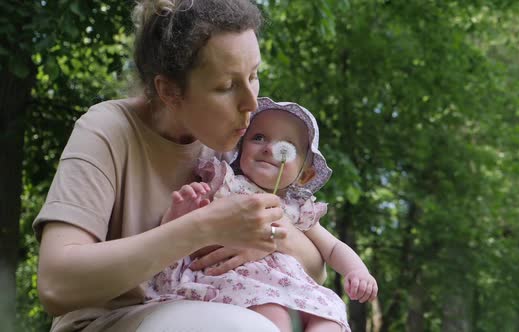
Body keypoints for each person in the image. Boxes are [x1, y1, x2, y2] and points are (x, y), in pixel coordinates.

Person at [33, 1, 327, 331]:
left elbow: (316, 268)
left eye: (254, 75)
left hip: (211, 308)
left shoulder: (240, 142)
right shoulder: (105, 130)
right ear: (170, 91)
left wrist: (270, 235)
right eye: (227, 86)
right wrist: (202, 227)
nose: (251, 102)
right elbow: (56, 285)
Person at [145, 97, 378, 332]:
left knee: (330, 317)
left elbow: (333, 248)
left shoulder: (298, 208)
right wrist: (182, 210)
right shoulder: (227, 184)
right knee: (272, 316)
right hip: (243, 282)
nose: (268, 147)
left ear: (305, 176)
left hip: (297, 288)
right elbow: (193, 231)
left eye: (287, 145)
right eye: (258, 138)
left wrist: (357, 271)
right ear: (241, 147)